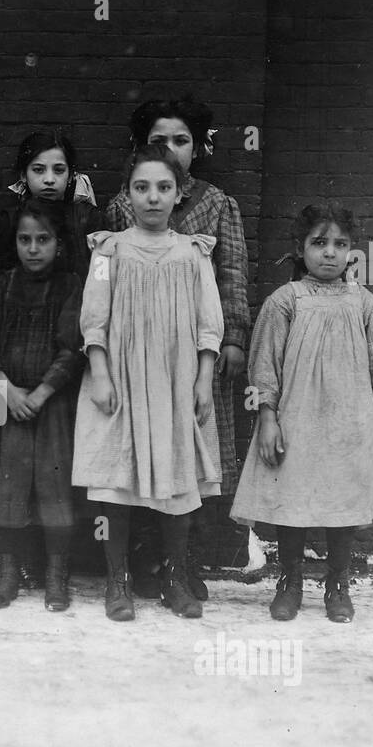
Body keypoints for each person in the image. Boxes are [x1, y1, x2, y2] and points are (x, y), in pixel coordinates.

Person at [104, 95, 250, 600]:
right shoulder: (125, 202)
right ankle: (144, 563)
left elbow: (230, 274)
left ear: (198, 147)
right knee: (141, 452)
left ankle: (184, 565)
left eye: (181, 141)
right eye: (159, 141)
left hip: (194, 355)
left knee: (192, 454)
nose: (170, 149)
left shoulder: (215, 202)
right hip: (140, 352)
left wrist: (232, 337)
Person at [75, 144, 224, 622]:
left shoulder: (194, 253)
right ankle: (116, 581)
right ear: (128, 194)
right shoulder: (107, 250)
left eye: (164, 188)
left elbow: (209, 324)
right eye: (142, 188)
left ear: (179, 194)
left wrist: (203, 379)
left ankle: (175, 579)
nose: (153, 198)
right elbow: (93, 318)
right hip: (119, 377)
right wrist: (100, 371)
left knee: (177, 478)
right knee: (118, 479)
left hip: (177, 380)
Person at [231, 204, 373, 623]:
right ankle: (290, 581)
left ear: (351, 251)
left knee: (342, 503)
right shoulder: (285, 301)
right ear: (301, 248)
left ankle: (337, 584)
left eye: (340, 244)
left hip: (350, 422)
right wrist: (268, 417)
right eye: (319, 243)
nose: (329, 253)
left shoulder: (366, 304)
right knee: (294, 501)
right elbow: (264, 363)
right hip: (297, 419)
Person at [0, 198, 83, 611]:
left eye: (43, 240)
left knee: (54, 492)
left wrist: (42, 392)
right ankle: (8, 572)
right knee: (7, 487)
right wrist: (3, 385)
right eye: (25, 239)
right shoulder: (2, 283)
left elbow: (72, 347)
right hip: (6, 401)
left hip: (52, 406)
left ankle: (55, 574)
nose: (33, 248)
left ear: (59, 244)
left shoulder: (71, 286)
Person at [0, 130, 101, 278]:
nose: (49, 179)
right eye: (38, 170)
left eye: (59, 170)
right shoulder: (10, 220)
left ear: (70, 175)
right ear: (23, 175)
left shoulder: (89, 219)